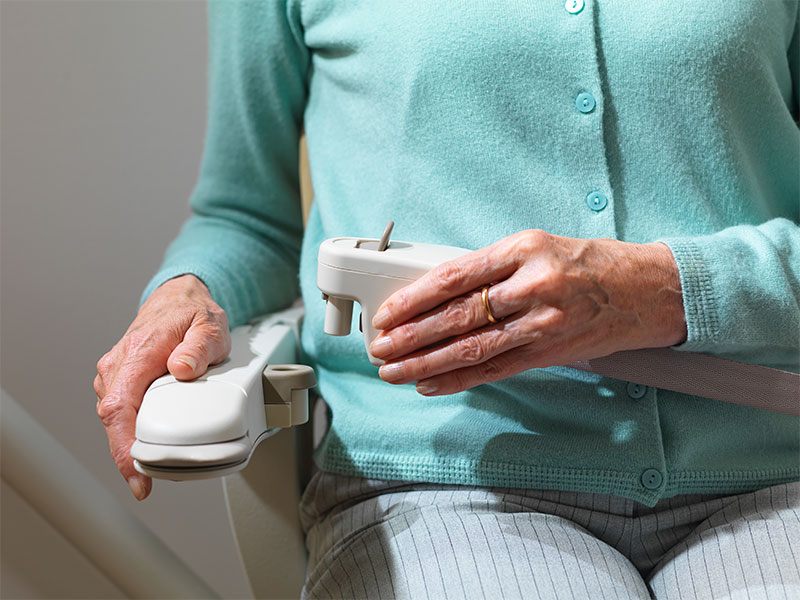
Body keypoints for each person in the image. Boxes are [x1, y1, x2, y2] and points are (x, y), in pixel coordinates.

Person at [94, 1, 800, 597]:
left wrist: (666, 288)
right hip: (437, 485)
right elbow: (246, 217)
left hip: (772, 466)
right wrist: (184, 293)